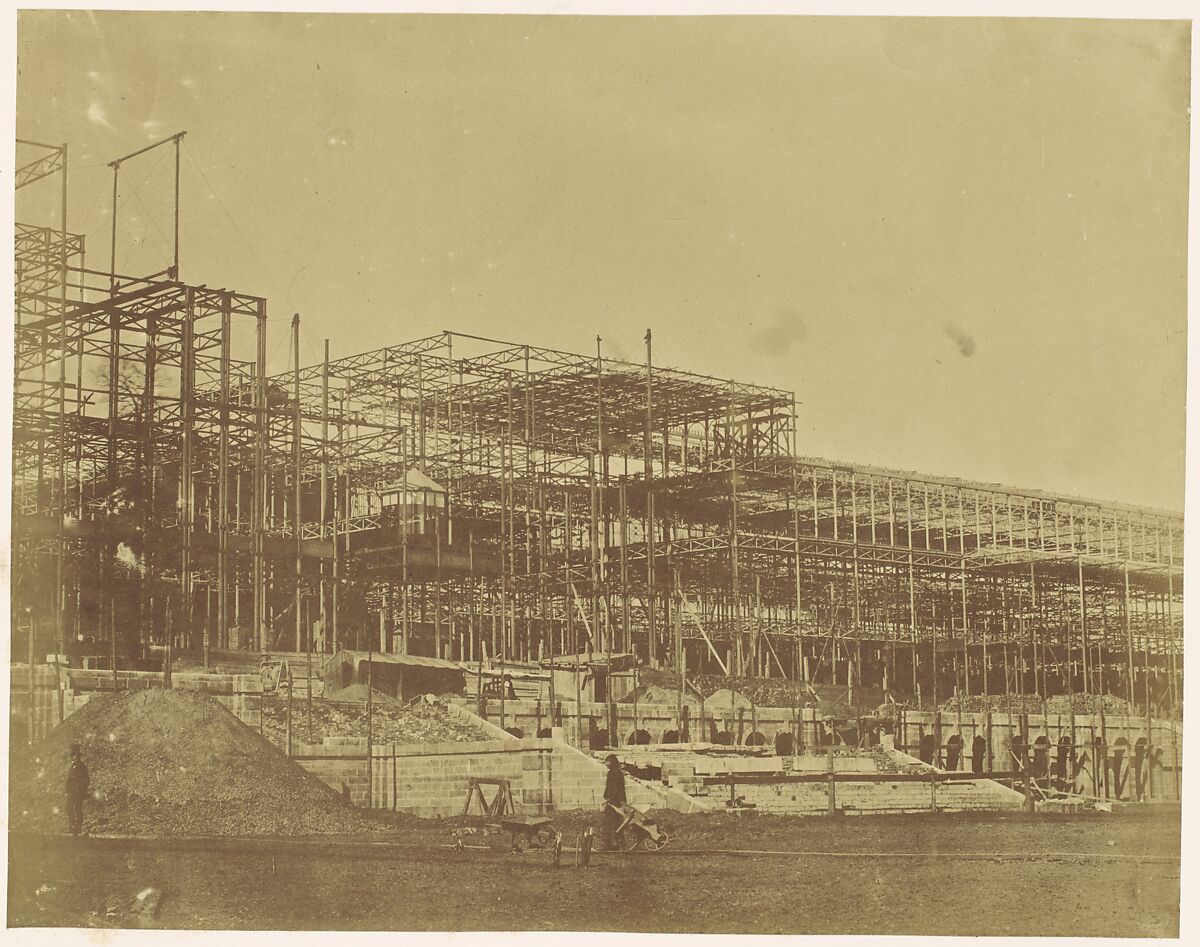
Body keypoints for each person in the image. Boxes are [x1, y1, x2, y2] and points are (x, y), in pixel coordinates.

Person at [601, 754, 626, 850]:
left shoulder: (612, 773)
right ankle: (619, 845)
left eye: (607, 762)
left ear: (612, 763)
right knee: (618, 823)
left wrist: (608, 798)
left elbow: (612, 788)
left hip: (614, 802)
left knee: (608, 823)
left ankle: (608, 845)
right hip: (618, 802)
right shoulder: (618, 773)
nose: (606, 764)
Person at [65, 743, 90, 836]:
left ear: (79, 756)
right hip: (71, 792)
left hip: (78, 792)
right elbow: (69, 779)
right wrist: (67, 791)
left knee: (77, 809)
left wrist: (80, 788)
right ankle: (72, 826)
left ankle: (78, 828)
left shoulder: (82, 767)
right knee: (68, 808)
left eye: (75, 756)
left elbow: (86, 780)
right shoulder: (73, 766)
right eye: (73, 756)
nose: (74, 758)